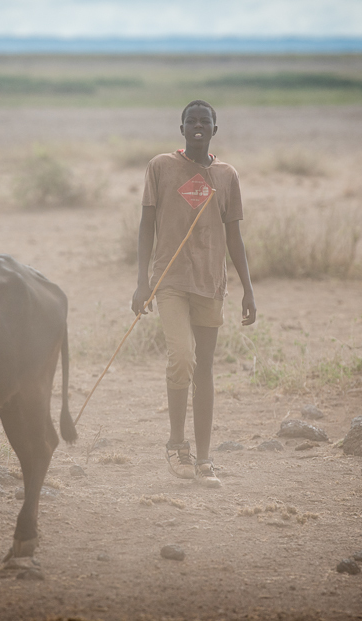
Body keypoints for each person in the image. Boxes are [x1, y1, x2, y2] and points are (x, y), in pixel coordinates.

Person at [131, 100, 256, 488]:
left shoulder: (226, 175)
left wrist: (248, 290)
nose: (198, 126)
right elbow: (146, 224)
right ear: (181, 128)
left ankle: (203, 459)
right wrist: (142, 281)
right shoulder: (161, 167)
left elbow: (234, 236)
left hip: (210, 282)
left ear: (215, 130)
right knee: (182, 355)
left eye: (205, 121)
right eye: (192, 121)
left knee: (205, 368)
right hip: (170, 280)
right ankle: (175, 443)